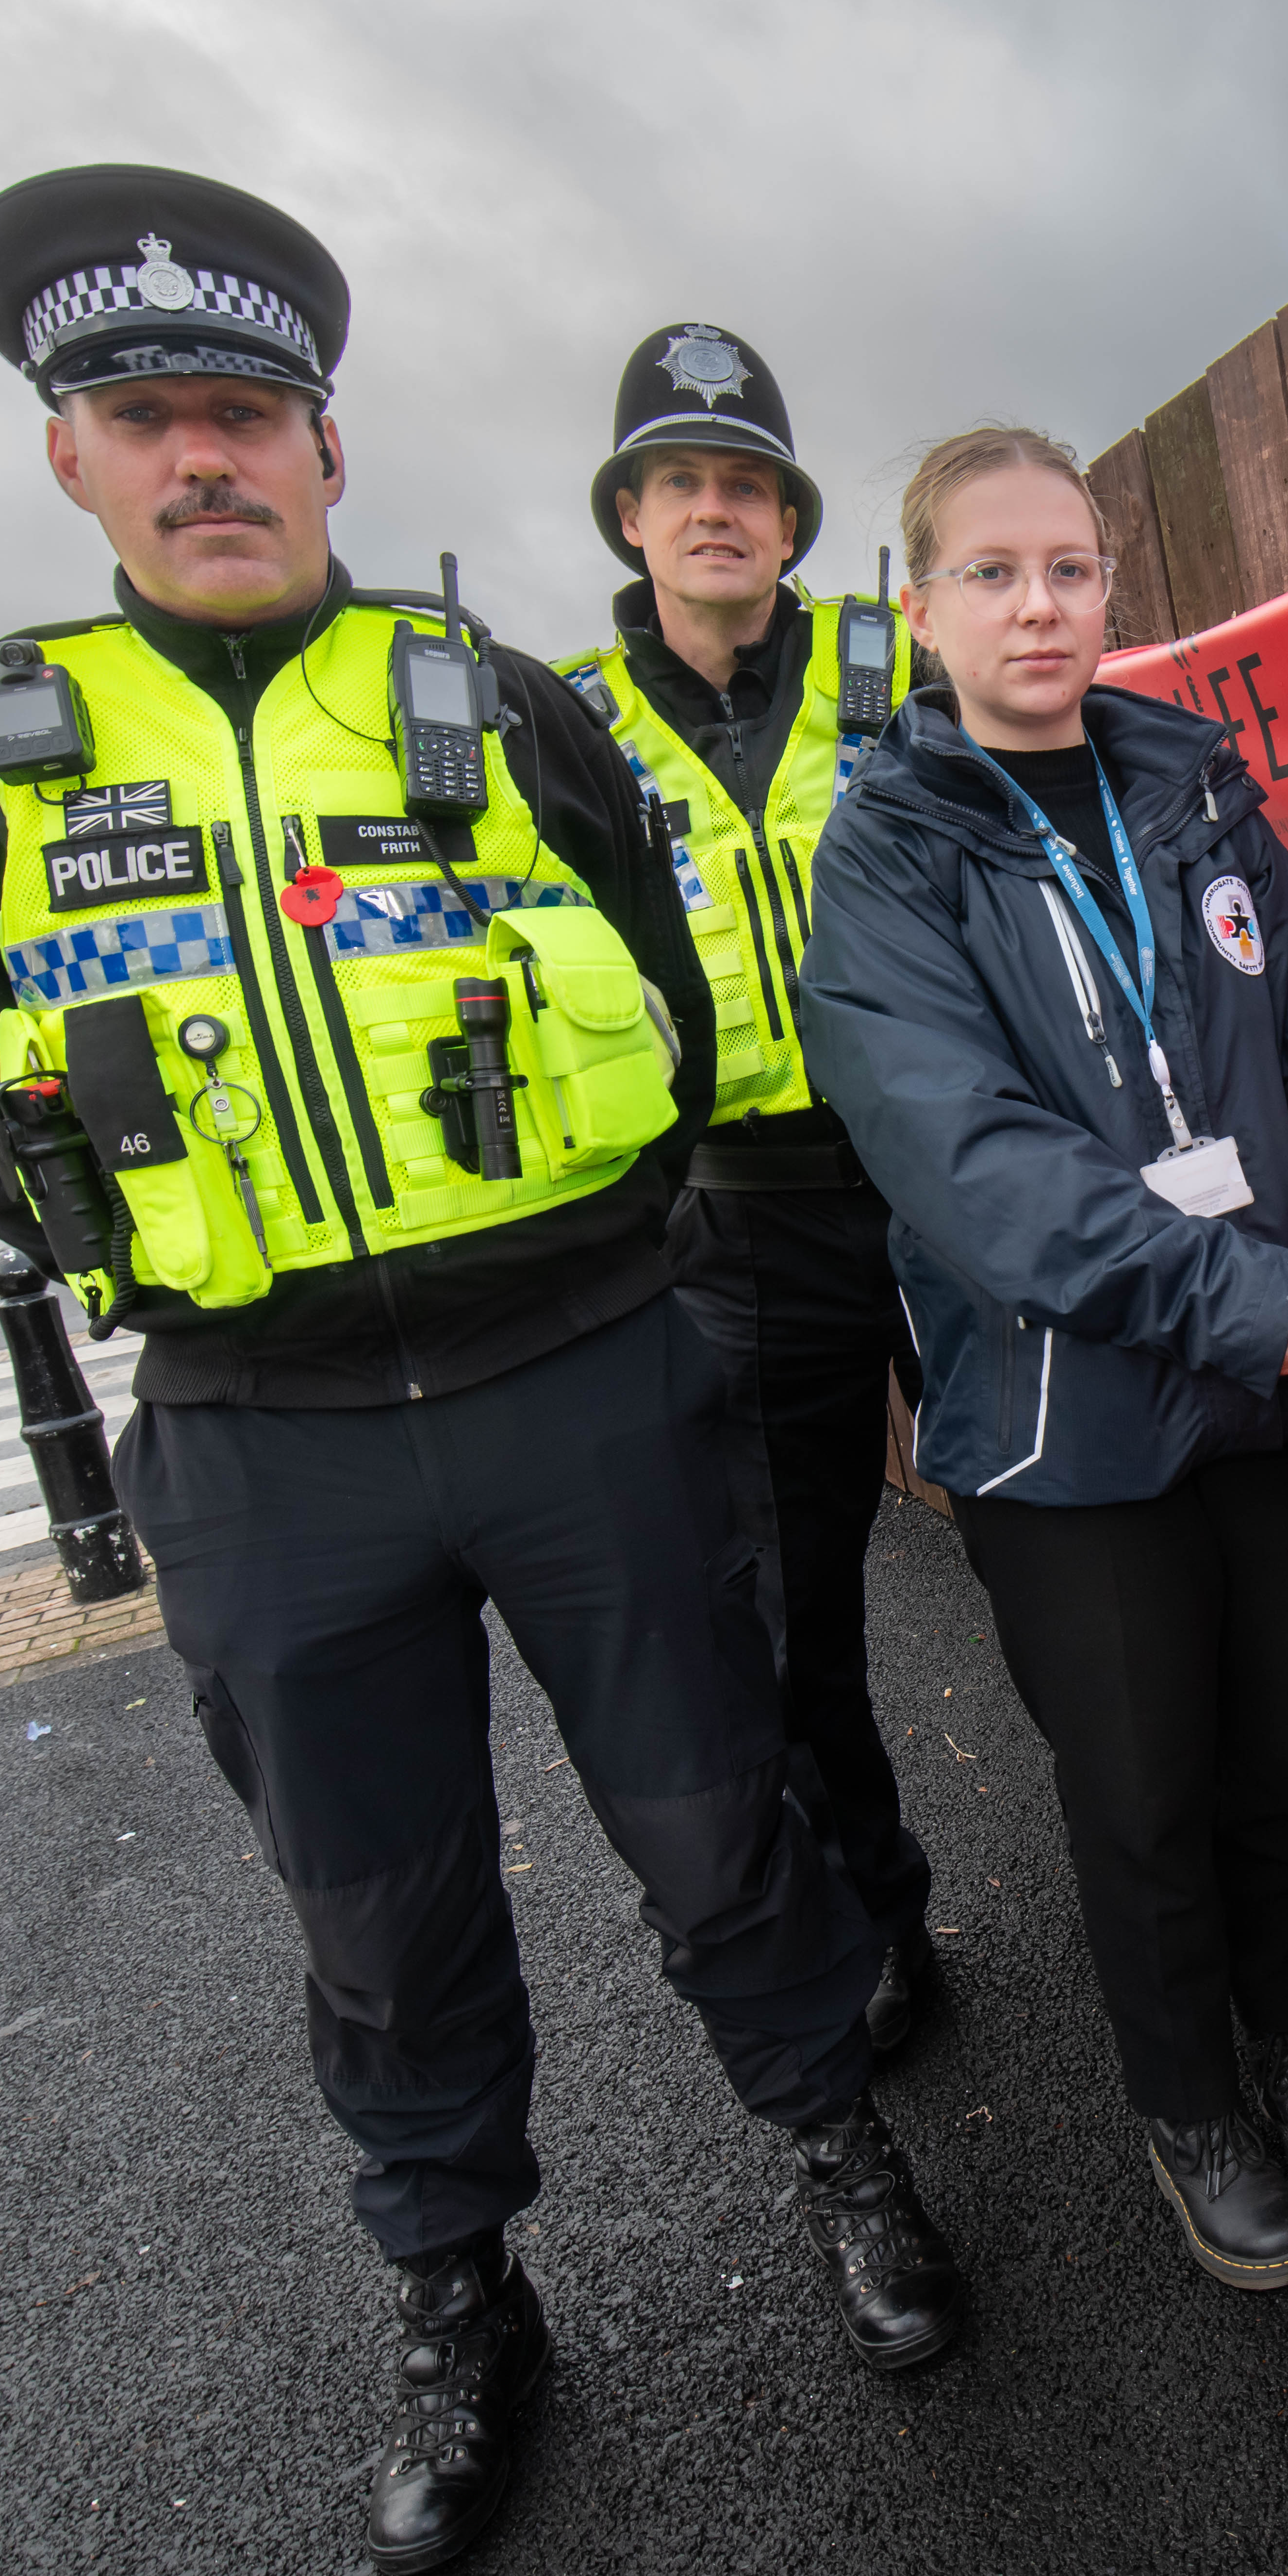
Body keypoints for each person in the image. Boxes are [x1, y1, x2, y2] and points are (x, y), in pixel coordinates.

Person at [0, 166, 963, 2576]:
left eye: (247, 414)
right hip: (260, 1439)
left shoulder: (497, 709)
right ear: (73, 459)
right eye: (146, 419)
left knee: (717, 1814)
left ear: (331, 447)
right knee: (376, 1905)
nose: (206, 460)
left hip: (578, 1368)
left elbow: (673, 1030)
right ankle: (462, 2292)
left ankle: (841, 2147)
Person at [799, 427, 1288, 2290]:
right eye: (991, 573)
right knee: (1137, 1790)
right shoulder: (890, 854)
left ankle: (1281, 2039)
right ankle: (1187, 2103)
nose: (1038, 604)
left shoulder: (1199, 799)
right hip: (1066, 1424)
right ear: (921, 609)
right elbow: (978, 1171)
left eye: (1066, 567)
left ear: (1111, 588)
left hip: (1265, 1374)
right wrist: (1260, 1302)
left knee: (1269, 1767)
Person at [553, 328, 933, 2052]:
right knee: (794, 1627)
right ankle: (878, 1920)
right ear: (630, 515)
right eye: (681, 481)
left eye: (749, 483)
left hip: (945, 1166)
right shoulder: (552, 723)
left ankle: (1164, 1939)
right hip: (734, 1211)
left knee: (1073, 1554)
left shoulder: (900, 667)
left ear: (789, 520)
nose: (718, 509)